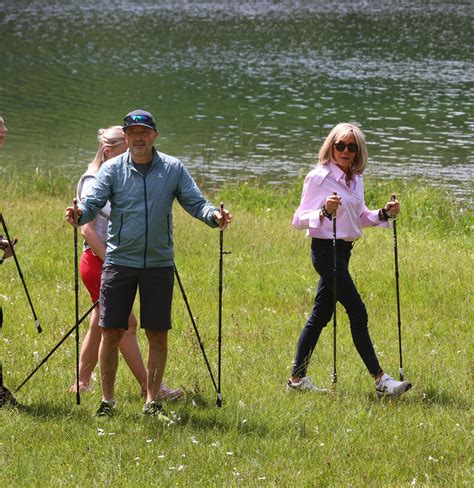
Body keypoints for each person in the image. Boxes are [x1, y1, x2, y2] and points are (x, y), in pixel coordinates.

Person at [66, 110, 232, 418]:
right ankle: (107, 401)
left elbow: (196, 202)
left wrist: (214, 216)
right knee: (111, 330)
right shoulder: (113, 170)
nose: (138, 137)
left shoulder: (172, 168)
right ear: (126, 137)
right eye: (132, 132)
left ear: (154, 135)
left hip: (158, 263)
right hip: (119, 261)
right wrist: (80, 214)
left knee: (157, 333)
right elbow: (92, 204)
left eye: (144, 131)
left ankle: (152, 402)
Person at [288, 122, 412, 398]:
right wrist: (323, 210)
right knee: (358, 311)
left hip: (343, 253)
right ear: (330, 147)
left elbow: (360, 217)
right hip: (324, 251)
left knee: (321, 315)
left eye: (351, 147)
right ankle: (381, 379)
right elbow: (297, 220)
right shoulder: (318, 177)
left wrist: (383, 213)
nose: (345, 151)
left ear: (358, 152)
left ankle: (296, 379)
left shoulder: (355, 180)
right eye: (340, 145)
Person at [71, 126, 182, 401]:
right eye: (125, 149)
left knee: (102, 321)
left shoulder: (122, 173)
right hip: (100, 260)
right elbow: (86, 229)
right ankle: (148, 386)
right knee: (124, 325)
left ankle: (81, 382)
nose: (131, 154)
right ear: (108, 151)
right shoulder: (93, 179)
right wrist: (113, 262)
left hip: (120, 259)